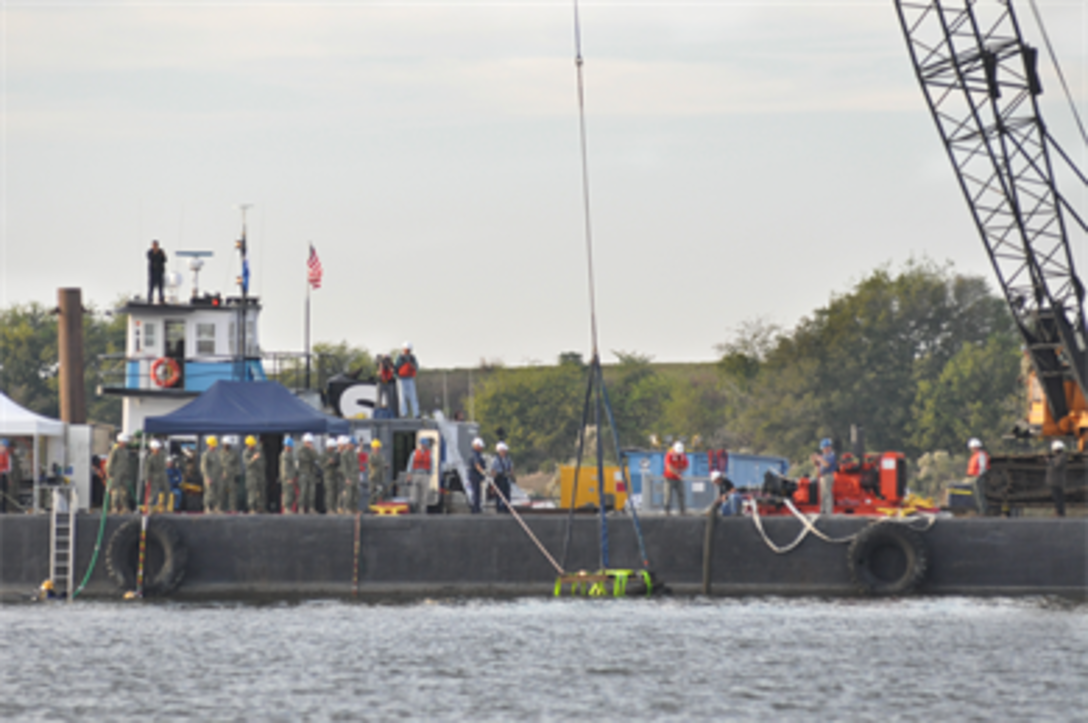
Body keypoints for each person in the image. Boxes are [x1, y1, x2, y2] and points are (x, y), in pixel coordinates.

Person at [106, 433, 132, 514]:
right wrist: (109, 472)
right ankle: (114, 507)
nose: (125, 443)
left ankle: (125, 507)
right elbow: (110, 462)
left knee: (125, 491)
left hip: (124, 474)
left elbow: (127, 463)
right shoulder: (115, 450)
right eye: (124, 442)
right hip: (116, 473)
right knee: (116, 491)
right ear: (120, 441)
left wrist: (128, 473)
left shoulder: (126, 451)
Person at [810, 438, 837, 516]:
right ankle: (823, 510)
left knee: (827, 493)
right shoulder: (823, 456)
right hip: (822, 476)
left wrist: (819, 459)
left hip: (828, 476)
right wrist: (815, 460)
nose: (824, 450)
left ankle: (828, 511)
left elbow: (827, 464)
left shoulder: (831, 455)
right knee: (822, 494)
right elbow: (818, 465)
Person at [395, 342, 420, 418]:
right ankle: (404, 413)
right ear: (403, 349)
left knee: (413, 396)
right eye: (406, 350)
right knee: (402, 397)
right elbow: (395, 368)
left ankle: (416, 413)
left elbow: (417, 367)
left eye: (409, 350)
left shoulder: (412, 358)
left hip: (410, 378)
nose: (408, 351)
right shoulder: (400, 358)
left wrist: (413, 366)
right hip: (401, 379)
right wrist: (396, 376)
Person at [144, 439, 169, 512]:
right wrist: (146, 480)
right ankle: (150, 507)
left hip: (163, 474)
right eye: (156, 448)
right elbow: (147, 470)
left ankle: (165, 506)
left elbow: (166, 460)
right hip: (154, 476)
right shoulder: (150, 458)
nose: (157, 450)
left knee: (167, 490)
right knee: (153, 493)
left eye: (158, 448)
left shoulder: (163, 454)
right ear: (152, 449)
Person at [663, 441, 689, 516]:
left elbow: (686, 465)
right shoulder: (669, 455)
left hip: (678, 479)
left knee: (681, 494)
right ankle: (667, 511)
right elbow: (669, 467)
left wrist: (681, 470)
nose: (679, 453)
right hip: (669, 478)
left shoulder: (682, 455)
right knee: (668, 495)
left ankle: (682, 510)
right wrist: (677, 473)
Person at [297, 433, 319, 514]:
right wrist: (311, 454)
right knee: (303, 491)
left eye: (311, 442)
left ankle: (311, 508)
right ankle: (301, 507)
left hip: (311, 473)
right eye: (308, 442)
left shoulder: (312, 450)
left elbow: (317, 458)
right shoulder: (301, 450)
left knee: (312, 492)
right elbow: (306, 459)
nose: (310, 444)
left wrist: (313, 450)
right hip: (304, 473)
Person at [966, 438, 989, 514]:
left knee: (980, 495)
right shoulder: (975, 455)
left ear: (975, 447)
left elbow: (983, 466)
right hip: (974, 477)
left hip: (978, 477)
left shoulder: (981, 455)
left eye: (972, 448)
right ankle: (979, 510)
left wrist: (979, 475)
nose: (971, 449)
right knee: (976, 494)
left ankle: (983, 511)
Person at [489, 441, 513, 513]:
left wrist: (511, 475)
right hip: (499, 479)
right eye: (504, 450)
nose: (505, 452)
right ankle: (499, 509)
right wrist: (494, 479)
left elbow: (511, 468)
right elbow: (493, 470)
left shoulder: (508, 459)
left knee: (507, 494)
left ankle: (507, 509)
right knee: (499, 495)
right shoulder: (496, 460)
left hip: (505, 478)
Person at [244, 436, 265, 514]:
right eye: (251, 445)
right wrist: (253, 458)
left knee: (261, 492)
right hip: (251, 476)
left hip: (259, 475)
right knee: (252, 493)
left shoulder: (258, 451)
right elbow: (247, 464)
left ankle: (260, 507)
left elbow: (262, 463)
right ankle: (251, 508)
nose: (253, 446)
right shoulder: (245, 453)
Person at [220, 436, 241, 513]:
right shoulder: (219, 453)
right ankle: (220, 508)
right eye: (226, 444)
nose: (227, 445)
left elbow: (237, 464)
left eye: (229, 444)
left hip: (231, 476)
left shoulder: (234, 453)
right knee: (221, 493)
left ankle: (233, 509)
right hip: (222, 476)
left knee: (233, 494)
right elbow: (217, 465)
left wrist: (237, 474)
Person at [322, 437, 344, 514]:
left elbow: (339, 461)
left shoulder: (335, 454)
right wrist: (329, 462)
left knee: (335, 493)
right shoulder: (324, 454)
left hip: (335, 476)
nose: (333, 448)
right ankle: (329, 508)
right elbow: (322, 465)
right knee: (329, 493)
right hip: (328, 477)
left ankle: (334, 508)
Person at [1047, 440, 1068, 517]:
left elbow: (1057, 466)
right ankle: (1059, 512)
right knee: (1057, 498)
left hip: (1057, 481)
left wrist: (1049, 461)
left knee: (1058, 498)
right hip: (1055, 481)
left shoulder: (1062, 457)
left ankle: (1060, 512)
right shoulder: (1058, 457)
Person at [340, 437, 360, 514]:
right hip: (349, 476)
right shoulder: (345, 454)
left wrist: (358, 475)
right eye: (353, 444)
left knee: (356, 493)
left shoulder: (354, 453)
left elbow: (356, 465)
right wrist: (346, 478)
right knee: (349, 494)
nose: (354, 446)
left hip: (355, 476)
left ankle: (354, 507)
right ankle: (347, 508)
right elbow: (344, 467)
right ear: (349, 444)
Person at [200, 436, 221, 513]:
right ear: (209, 445)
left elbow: (219, 465)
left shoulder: (216, 454)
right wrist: (207, 477)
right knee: (209, 492)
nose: (214, 447)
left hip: (217, 477)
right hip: (209, 476)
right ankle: (207, 507)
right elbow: (203, 467)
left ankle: (216, 507)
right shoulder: (206, 454)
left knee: (217, 492)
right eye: (213, 445)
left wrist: (221, 473)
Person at [468, 437, 486, 514]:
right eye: (480, 446)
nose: (482, 448)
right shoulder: (474, 454)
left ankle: (477, 507)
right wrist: (483, 471)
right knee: (476, 492)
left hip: (477, 476)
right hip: (474, 475)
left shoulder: (478, 454)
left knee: (478, 492)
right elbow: (477, 465)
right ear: (476, 446)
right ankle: (475, 509)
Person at [280, 437, 299, 514]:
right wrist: (287, 478)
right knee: (288, 493)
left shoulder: (289, 454)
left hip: (292, 477)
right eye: (290, 446)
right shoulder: (285, 455)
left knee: (292, 494)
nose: (292, 448)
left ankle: (289, 508)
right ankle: (287, 509)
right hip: (287, 479)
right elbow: (284, 468)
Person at [367, 438, 387, 506]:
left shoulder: (381, 456)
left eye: (378, 448)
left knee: (380, 491)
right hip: (374, 478)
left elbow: (382, 465)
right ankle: (371, 504)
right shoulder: (371, 456)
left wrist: (385, 466)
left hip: (380, 477)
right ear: (373, 448)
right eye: (376, 448)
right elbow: (374, 462)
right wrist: (382, 463)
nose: (378, 449)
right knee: (374, 493)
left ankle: (378, 504)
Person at [147, 240, 167, 304]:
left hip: (160, 272)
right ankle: (150, 299)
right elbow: (150, 258)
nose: (155, 247)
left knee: (160, 286)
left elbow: (164, 260)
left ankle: (161, 299)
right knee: (151, 286)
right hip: (153, 272)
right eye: (153, 245)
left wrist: (163, 255)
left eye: (156, 245)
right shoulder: (150, 252)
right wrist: (155, 252)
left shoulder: (161, 252)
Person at [0, 439, 10, 513]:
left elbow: (9, 467)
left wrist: (4, 471)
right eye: (2, 446)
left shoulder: (8, 456)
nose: (3, 448)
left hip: (3, 476)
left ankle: (3, 509)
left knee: (4, 493)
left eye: (4, 446)